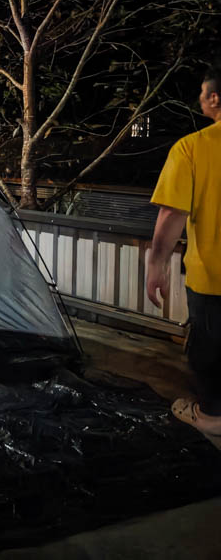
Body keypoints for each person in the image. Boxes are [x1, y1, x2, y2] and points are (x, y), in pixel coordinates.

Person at [146, 65, 221, 436]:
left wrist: (156, 263)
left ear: (215, 98)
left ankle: (210, 417)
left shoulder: (192, 148)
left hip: (213, 279)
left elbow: (172, 213)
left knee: (209, 354)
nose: (199, 99)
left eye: (202, 92)